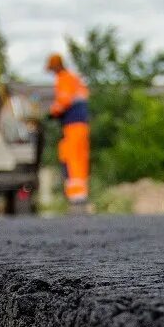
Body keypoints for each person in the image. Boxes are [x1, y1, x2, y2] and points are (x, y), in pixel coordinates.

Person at [46, 53, 91, 213]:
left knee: (72, 157)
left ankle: (76, 195)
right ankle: (80, 194)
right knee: (79, 157)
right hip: (80, 124)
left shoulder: (64, 78)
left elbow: (64, 100)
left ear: (56, 66)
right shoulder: (74, 78)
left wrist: (52, 111)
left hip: (73, 124)